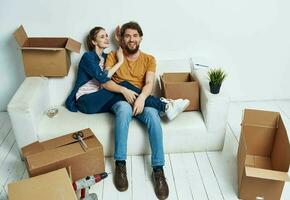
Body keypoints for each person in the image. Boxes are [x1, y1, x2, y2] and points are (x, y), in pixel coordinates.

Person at [105, 21, 182, 200]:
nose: (131, 39)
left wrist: (141, 98)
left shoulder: (149, 59)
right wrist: (124, 90)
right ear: (122, 39)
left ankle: (158, 170)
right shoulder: (113, 56)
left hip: (143, 100)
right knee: (124, 110)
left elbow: (149, 84)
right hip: (120, 99)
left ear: (141, 38)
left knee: (154, 118)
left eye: (135, 35)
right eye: (127, 36)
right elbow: (105, 82)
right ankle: (120, 165)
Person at [65, 26, 190, 121]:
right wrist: (120, 62)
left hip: (99, 100)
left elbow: (123, 52)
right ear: (93, 41)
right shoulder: (88, 57)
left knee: (124, 92)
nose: (107, 38)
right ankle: (165, 105)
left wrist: (120, 41)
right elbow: (103, 77)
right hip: (86, 101)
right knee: (123, 86)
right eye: (102, 36)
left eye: (107, 36)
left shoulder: (105, 57)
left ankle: (163, 107)